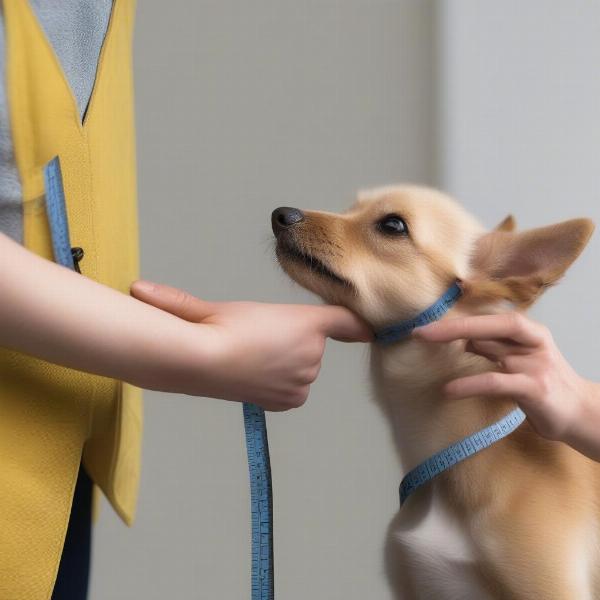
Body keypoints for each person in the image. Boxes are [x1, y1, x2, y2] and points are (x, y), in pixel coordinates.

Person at [0, 2, 598, 600]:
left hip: (58, 432)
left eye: (388, 228)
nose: (303, 221)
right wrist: (195, 351)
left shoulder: (528, 503)